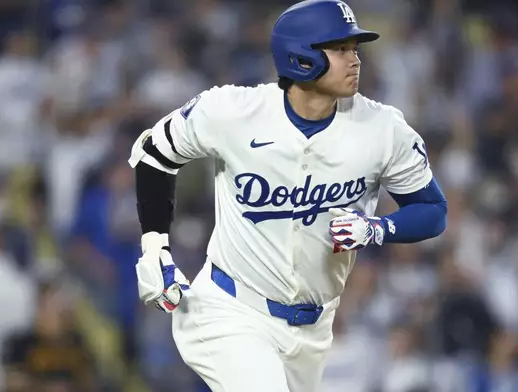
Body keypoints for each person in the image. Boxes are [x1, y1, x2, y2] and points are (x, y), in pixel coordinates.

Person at [128, 1, 448, 391]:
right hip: (230, 309)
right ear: (301, 57)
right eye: (341, 48)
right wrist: (155, 247)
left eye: (355, 49)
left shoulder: (382, 129)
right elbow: (154, 154)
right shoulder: (233, 111)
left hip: (313, 330)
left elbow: (432, 209)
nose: (355, 59)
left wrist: (378, 228)